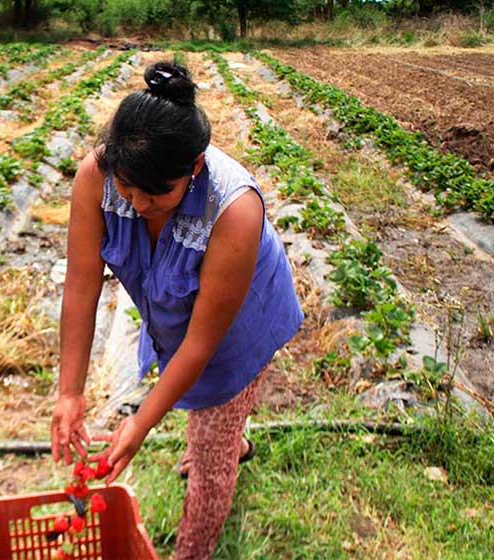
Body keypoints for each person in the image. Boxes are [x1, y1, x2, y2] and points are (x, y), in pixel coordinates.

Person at [50, 61, 304, 558]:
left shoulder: (234, 209)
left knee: (210, 447)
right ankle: (233, 437)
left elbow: (203, 343)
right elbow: (81, 286)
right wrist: (69, 392)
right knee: (216, 423)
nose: (139, 204)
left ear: (194, 167)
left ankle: (194, 548)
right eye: (127, 189)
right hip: (181, 311)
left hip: (239, 323)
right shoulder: (95, 177)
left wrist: (139, 424)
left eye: (157, 194)